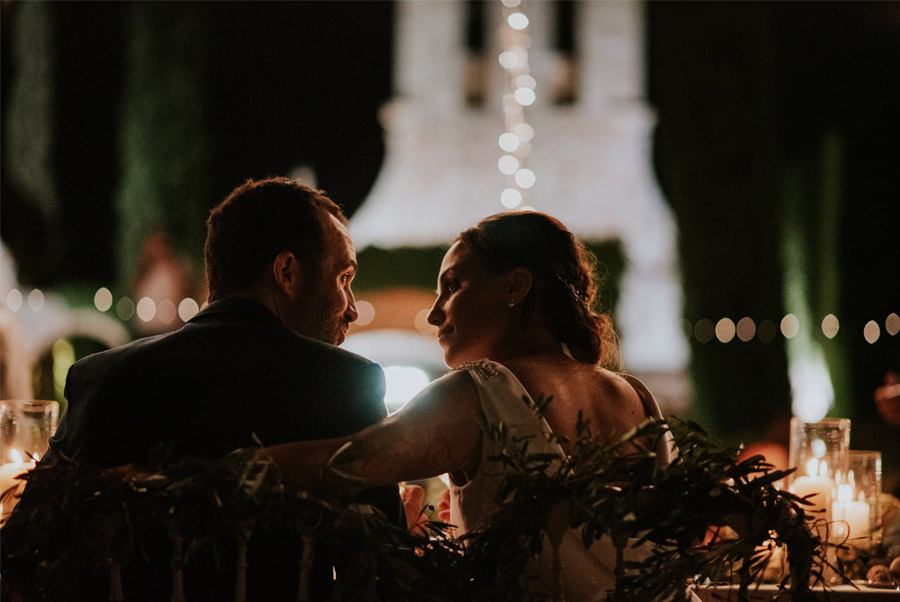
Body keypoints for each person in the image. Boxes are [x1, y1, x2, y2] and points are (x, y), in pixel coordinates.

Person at [267, 210, 672, 600]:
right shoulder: (635, 396)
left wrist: (234, 464)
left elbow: (349, 462)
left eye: (453, 286)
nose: (434, 313)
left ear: (515, 287)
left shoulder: (483, 390)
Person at [39, 177, 403, 600]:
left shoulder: (103, 377)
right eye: (343, 278)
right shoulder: (346, 384)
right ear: (286, 272)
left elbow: (38, 544)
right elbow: (388, 567)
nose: (352, 308)